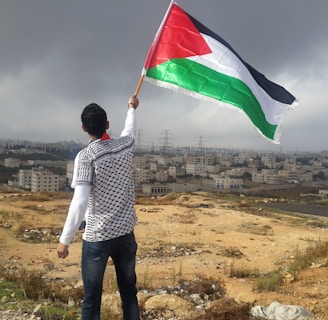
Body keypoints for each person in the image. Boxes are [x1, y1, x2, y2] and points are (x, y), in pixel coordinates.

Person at [57, 95, 140, 320]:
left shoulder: (86, 157)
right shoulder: (124, 146)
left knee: (92, 298)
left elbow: (80, 201)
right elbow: (130, 130)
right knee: (129, 294)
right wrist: (131, 108)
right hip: (125, 234)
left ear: (83, 127)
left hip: (97, 237)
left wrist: (65, 240)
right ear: (107, 124)